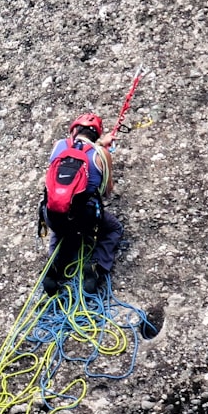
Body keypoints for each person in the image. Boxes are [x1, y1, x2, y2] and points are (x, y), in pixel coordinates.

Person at [40, 113, 124, 295]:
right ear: (97, 136)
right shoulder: (102, 155)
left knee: (61, 231)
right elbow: (107, 191)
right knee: (114, 229)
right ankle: (97, 267)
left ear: (74, 130)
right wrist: (104, 150)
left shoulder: (59, 146)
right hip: (85, 218)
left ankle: (53, 268)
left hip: (53, 214)